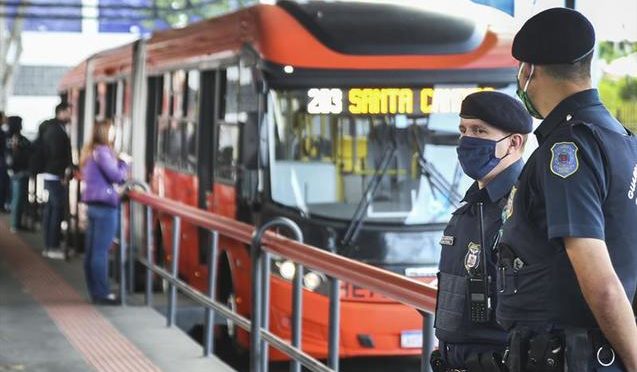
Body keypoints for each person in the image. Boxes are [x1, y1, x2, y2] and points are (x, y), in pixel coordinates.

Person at [497, 8, 637, 371]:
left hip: (570, 357)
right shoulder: (621, 139)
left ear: (528, 71)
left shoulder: (568, 150)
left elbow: (602, 281)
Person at [430, 91, 532, 372]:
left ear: (513, 143)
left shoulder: (526, 208)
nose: (467, 140)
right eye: (463, 130)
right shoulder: (471, 207)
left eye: (479, 130)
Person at [80, 119, 129, 305]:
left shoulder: (90, 151)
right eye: (111, 130)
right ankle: (102, 293)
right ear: (104, 132)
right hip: (105, 206)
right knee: (100, 252)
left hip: (93, 206)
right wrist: (124, 163)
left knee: (92, 251)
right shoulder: (102, 151)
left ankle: (95, 291)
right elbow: (116, 176)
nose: (114, 133)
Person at [39, 102, 73, 259]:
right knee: (56, 212)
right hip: (55, 177)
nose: (71, 115)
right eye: (69, 112)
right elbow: (57, 155)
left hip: (51, 175)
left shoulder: (52, 129)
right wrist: (63, 174)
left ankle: (51, 245)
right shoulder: (56, 132)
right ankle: (52, 246)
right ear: (61, 112)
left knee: (52, 211)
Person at [6, 116, 31, 232]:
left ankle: (17, 223)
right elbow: (20, 155)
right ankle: (15, 224)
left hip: (14, 171)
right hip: (19, 171)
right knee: (18, 199)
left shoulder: (9, 138)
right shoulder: (17, 139)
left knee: (17, 198)